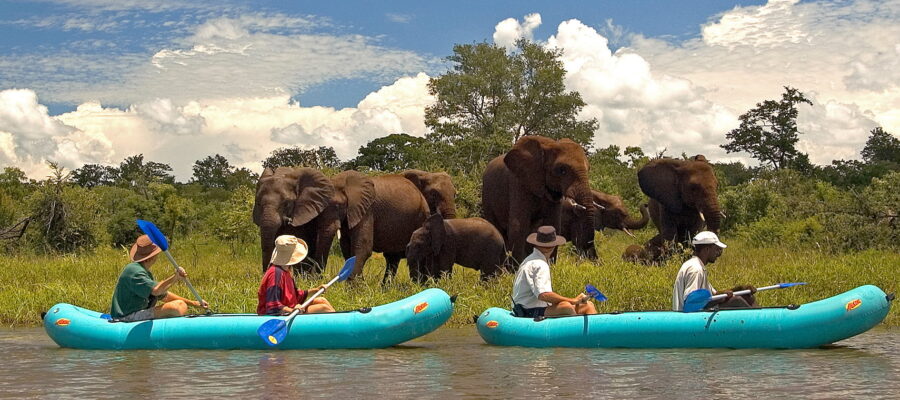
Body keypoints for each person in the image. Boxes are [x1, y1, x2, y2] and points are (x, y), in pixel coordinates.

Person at [110, 235, 208, 322]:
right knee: (178, 306)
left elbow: (164, 295)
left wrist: (193, 303)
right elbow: (156, 291)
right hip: (126, 317)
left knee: (180, 305)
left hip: (137, 313)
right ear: (151, 257)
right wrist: (175, 277)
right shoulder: (135, 272)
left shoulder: (142, 271)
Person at [511, 226, 598, 318]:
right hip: (528, 311)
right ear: (553, 246)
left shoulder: (529, 260)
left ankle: (592, 331)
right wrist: (573, 301)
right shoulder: (540, 264)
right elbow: (543, 295)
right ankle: (576, 331)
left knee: (588, 305)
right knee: (566, 307)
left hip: (527, 308)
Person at [672, 231, 757, 311]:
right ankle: (758, 323)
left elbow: (714, 295)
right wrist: (719, 299)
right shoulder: (696, 269)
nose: (718, 254)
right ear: (707, 250)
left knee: (747, 296)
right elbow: (691, 302)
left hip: (699, 312)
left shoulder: (698, 266)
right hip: (690, 318)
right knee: (737, 301)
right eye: (716, 249)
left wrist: (740, 289)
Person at [257, 235, 336, 315]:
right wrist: (292, 310)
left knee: (321, 300)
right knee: (324, 308)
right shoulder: (275, 274)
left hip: (292, 308)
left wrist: (316, 290)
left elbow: (295, 296)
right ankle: (341, 325)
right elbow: (273, 306)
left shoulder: (286, 271)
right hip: (280, 314)